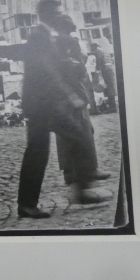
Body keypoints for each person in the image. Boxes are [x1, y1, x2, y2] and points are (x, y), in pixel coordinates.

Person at [16, 0, 108, 219]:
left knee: (68, 141)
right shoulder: (39, 36)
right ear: (47, 14)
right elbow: (49, 71)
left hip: (45, 104)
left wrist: (67, 66)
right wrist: (71, 96)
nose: (60, 16)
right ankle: (75, 193)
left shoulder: (45, 35)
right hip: (43, 104)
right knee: (52, 147)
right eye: (57, 13)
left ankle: (32, 202)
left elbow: (54, 66)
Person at [50, 15, 111, 191]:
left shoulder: (52, 43)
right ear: (69, 27)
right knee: (84, 129)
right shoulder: (71, 42)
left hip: (60, 94)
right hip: (75, 90)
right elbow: (81, 70)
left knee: (65, 133)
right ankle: (89, 169)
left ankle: (69, 172)